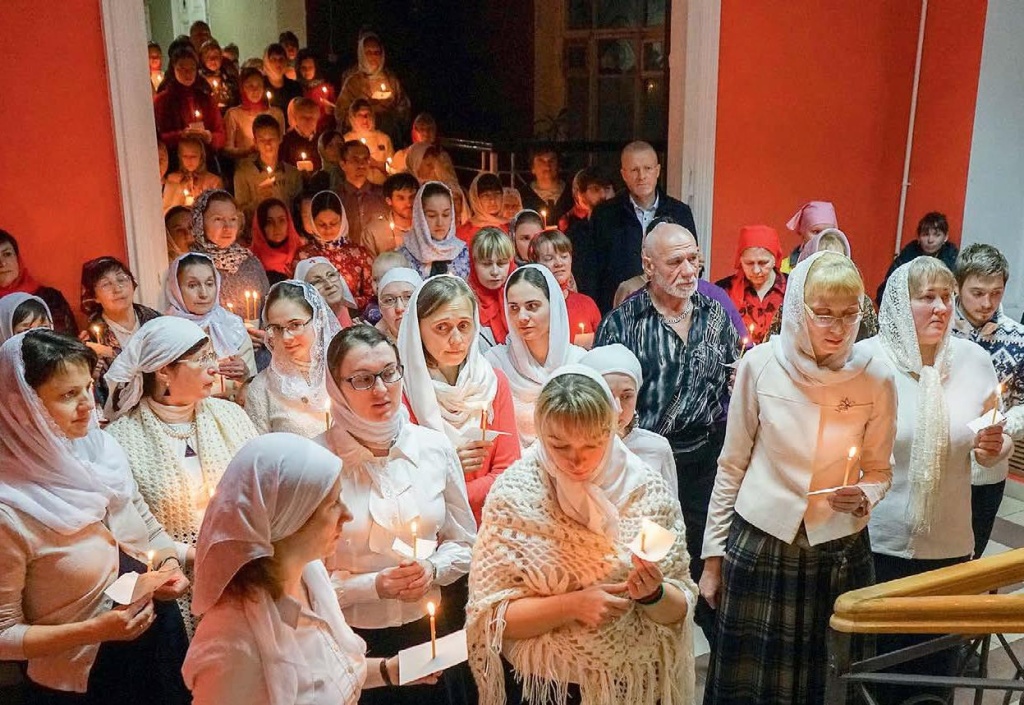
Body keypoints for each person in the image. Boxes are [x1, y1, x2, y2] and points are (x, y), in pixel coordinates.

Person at [700, 252, 898, 705]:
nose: (838, 328)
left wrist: (865, 494)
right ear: (797, 308)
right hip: (764, 543)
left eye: (849, 314)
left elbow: (880, 470)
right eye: (823, 313)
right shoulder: (761, 365)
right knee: (755, 683)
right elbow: (731, 466)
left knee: (827, 681)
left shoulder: (875, 377)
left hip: (838, 548)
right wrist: (712, 560)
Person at [466, 365, 696, 705]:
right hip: (547, 683)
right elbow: (491, 616)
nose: (577, 460)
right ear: (541, 433)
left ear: (612, 430)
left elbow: (678, 609)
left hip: (633, 682)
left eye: (592, 444)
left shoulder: (647, 493)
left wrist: (653, 594)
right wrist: (571, 605)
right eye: (559, 445)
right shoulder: (515, 496)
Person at [0, 330, 190, 703]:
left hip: (158, 644)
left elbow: (150, 530)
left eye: (88, 387)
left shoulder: (102, 452)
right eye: (67, 395)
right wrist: (95, 630)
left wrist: (168, 566)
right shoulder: (12, 505)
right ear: (23, 407)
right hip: (82, 675)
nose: (88, 404)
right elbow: (4, 634)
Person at [183, 434, 436, 703]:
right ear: (290, 518)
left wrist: (390, 670)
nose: (348, 515)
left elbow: (328, 676)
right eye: (333, 504)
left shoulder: (310, 576)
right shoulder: (232, 647)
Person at [864, 257, 1011, 702]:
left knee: (933, 672)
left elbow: (993, 433)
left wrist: (994, 447)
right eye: (927, 297)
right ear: (898, 305)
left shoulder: (973, 361)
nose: (941, 308)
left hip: (947, 542)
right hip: (876, 542)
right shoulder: (866, 360)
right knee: (873, 670)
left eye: (947, 297)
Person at [321, 325, 478, 705]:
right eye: (362, 379)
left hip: (431, 631)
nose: (381, 389)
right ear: (336, 387)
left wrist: (433, 569)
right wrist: (374, 585)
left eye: (389, 373)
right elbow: (302, 583)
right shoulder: (318, 463)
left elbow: (466, 543)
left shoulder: (433, 448)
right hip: (353, 640)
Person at [595, 220, 737, 638]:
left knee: (707, 570)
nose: (689, 271)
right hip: (645, 466)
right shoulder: (623, 323)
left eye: (694, 259)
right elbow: (603, 403)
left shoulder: (716, 316)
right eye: (676, 262)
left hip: (705, 464)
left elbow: (729, 383)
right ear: (648, 266)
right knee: (653, 565)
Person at [103, 317, 257, 634]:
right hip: (172, 587)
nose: (214, 368)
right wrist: (190, 554)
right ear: (163, 371)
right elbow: (130, 528)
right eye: (201, 359)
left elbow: (263, 489)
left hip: (243, 574)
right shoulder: (122, 438)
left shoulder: (231, 415)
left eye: (211, 355)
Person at [398, 275, 521, 520]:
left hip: (491, 520)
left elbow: (509, 471)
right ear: (417, 329)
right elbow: (401, 483)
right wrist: (448, 469)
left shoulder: (493, 382)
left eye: (464, 326)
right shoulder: (402, 392)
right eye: (442, 327)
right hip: (427, 526)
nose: (456, 340)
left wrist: (450, 489)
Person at [952, 244, 1024, 558]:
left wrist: (1001, 427)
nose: (987, 303)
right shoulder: (938, 329)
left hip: (989, 470)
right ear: (957, 286)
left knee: (972, 557)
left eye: (996, 293)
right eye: (978, 293)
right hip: (939, 466)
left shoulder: (1018, 338)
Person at [584, 141, 697, 313]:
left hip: (669, 311)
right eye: (634, 170)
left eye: (648, 168)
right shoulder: (604, 215)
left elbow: (693, 265)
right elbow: (592, 271)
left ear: (657, 171)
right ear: (623, 174)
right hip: (618, 310)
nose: (642, 176)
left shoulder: (680, 213)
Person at [486, 265, 587, 448]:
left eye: (532, 306)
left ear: (553, 305)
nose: (522, 317)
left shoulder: (580, 363)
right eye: (514, 308)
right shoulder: (495, 363)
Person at [580, 343, 678, 498]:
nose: (618, 408)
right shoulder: (571, 449)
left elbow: (671, 508)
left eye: (627, 396)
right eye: (607, 395)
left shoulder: (656, 448)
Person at [246, 280, 342, 437]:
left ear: (317, 320)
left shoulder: (343, 374)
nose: (286, 337)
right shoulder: (261, 389)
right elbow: (259, 450)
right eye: (276, 328)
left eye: (295, 325)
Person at [764, 227, 879, 343]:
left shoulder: (860, 302)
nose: (837, 330)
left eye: (838, 263)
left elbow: (871, 343)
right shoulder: (797, 300)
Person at [164, 253, 257, 394]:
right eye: (192, 285)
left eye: (209, 284)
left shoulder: (232, 326)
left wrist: (245, 375)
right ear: (175, 288)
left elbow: (253, 386)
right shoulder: (167, 331)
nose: (204, 293)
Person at [80, 256, 163, 406]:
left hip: (161, 404)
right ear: (94, 296)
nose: (117, 289)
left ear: (133, 284)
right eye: (106, 284)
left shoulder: (156, 322)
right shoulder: (92, 338)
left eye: (122, 279)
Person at [189, 189, 271, 313]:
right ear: (200, 222)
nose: (227, 227)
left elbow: (267, 309)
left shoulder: (250, 262)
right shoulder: (191, 265)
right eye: (218, 219)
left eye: (233, 219)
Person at [296, 190, 376, 310]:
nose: (328, 229)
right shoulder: (304, 256)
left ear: (342, 220)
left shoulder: (359, 254)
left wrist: (345, 303)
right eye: (321, 224)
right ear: (313, 222)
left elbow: (372, 296)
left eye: (333, 223)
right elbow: (298, 297)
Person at [714, 225, 787, 344]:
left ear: (775, 259)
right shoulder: (723, 290)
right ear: (740, 260)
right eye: (749, 263)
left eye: (763, 263)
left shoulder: (792, 287)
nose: (756, 270)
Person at [529, 230, 600, 348]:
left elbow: (602, 347)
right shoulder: (531, 307)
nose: (559, 263)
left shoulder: (586, 304)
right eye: (549, 258)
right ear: (535, 263)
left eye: (564, 256)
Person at [336, 32, 411, 144]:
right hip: (361, 140)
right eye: (368, 52)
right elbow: (341, 112)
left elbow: (403, 107)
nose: (373, 57)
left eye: (377, 52)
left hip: (388, 137)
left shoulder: (391, 80)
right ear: (361, 54)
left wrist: (389, 116)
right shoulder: (353, 82)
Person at [0, 230, 77, 336]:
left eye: (7, 254)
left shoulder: (50, 298)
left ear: (18, 258)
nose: (2, 264)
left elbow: (66, 341)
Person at [153, 44, 225, 153]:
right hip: (174, 157)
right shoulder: (162, 101)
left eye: (192, 68)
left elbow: (221, 136)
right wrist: (180, 136)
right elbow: (156, 138)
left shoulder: (206, 99)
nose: (188, 73)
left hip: (204, 157)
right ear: (173, 69)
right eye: (182, 69)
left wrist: (209, 137)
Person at [233, 113, 303, 223]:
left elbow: (299, 211)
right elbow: (239, 215)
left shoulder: (293, 174)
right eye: (262, 140)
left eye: (272, 139)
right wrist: (258, 200)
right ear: (255, 142)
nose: (268, 145)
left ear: (280, 139)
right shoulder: (243, 173)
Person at [877, 211, 960, 304]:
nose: (930, 240)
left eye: (937, 235)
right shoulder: (907, 255)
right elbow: (888, 287)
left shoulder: (952, 257)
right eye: (925, 234)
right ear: (918, 237)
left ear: (946, 237)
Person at [398, 182, 471, 280]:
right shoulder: (404, 256)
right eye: (432, 216)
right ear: (419, 216)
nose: (440, 223)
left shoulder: (462, 251)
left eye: (445, 215)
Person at [222, 67, 286, 163]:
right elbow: (227, 149)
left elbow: (282, 144)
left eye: (259, 85)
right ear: (242, 88)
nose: (255, 90)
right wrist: (247, 151)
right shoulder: (233, 115)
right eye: (250, 86)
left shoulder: (276, 114)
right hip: (245, 166)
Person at [337, 140, 390, 251]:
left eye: (365, 159)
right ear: (343, 164)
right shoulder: (336, 199)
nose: (361, 165)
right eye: (355, 160)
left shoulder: (383, 195)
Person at [468, 227, 515, 347]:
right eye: (486, 264)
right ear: (473, 264)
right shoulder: (465, 302)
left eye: (501, 263)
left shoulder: (522, 297)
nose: (495, 271)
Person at [162, 134, 224, 212]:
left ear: (201, 157)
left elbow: (218, 209)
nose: (189, 160)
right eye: (185, 156)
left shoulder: (214, 182)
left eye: (193, 156)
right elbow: (166, 209)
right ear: (180, 157)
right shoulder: (173, 180)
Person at [361, 172, 418, 257]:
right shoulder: (374, 232)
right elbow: (367, 263)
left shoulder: (428, 227)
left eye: (412, 197)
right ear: (389, 201)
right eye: (401, 198)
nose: (409, 204)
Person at [249, 198, 304, 284]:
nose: (277, 227)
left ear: (289, 222)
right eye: (269, 222)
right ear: (260, 226)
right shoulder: (250, 259)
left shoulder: (304, 253)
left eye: (281, 220)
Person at [295, 256, 357, 329]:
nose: (329, 285)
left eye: (331, 275)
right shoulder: (305, 327)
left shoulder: (354, 315)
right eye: (317, 281)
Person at [518, 148, 575, 226]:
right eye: (541, 161)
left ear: (558, 165)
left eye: (552, 160)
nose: (547, 165)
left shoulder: (573, 194)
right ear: (533, 168)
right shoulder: (522, 196)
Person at [344, 99, 394, 186]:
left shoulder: (384, 139)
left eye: (368, 114)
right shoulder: (347, 140)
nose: (365, 118)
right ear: (353, 118)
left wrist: (378, 165)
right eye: (360, 115)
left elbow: (393, 169)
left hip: (382, 187)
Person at [782, 200, 837, 274]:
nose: (822, 237)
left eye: (828, 231)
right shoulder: (784, 270)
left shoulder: (846, 267)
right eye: (816, 232)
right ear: (803, 232)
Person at [374, 266, 422, 343]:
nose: (399, 308)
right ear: (380, 309)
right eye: (389, 300)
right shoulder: (372, 347)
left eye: (408, 297)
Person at [456, 172, 507, 244]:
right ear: (475, 199)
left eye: (497, 194)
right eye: (486, 195)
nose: (492, 200)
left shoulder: (512, 228)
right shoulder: (464, 233)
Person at [364, 250, 412, 325]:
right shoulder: (372, 303)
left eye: (384, 279)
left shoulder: (410, 301)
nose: (378, 285)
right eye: (375, 279)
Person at [296, 48, 337, 132]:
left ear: (315, 68)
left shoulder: (327, 88)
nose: (307, 71)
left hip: (322, 130)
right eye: (303, 68)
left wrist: (330, 112)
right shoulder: (295, 88)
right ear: (299, 69)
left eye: (310, 67)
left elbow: (335, 112)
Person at [262, 43, 304, 125]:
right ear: (267, 61)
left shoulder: (295, 87)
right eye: (274, 59)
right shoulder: (260, 86)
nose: (278, 63)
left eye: (281, 59)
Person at [198, 39, 237, 110]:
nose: (213, 60)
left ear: (221, 58)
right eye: (208, 56)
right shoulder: (198, 79)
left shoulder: (228, 76)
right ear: (202, 59)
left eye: (216, 56)